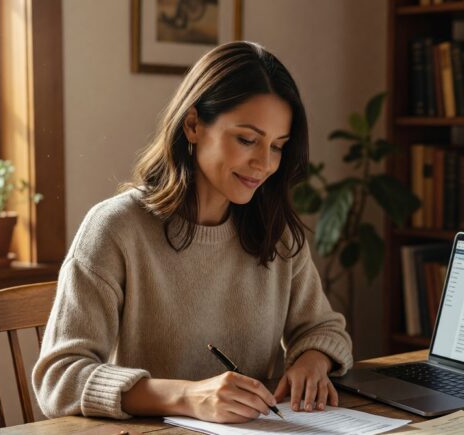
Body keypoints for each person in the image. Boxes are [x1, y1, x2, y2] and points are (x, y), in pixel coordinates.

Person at [32, 41, 353, 424]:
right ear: (193, 125)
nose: (264, 163)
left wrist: (312, 361)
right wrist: (186, 396)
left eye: (278, 147)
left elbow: (321, 327)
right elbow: (59, 378)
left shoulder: (274, 231)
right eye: (247, 140)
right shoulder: (116, 228)